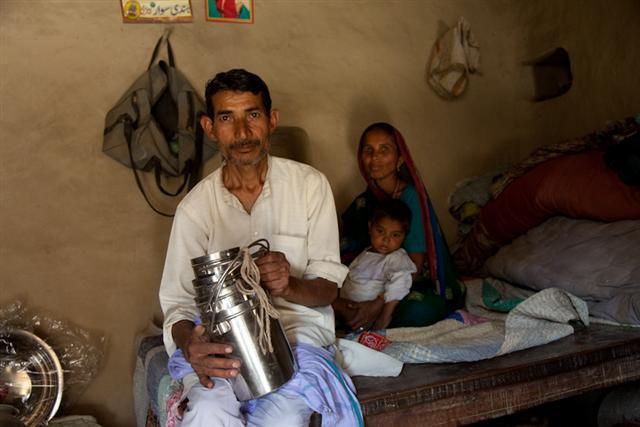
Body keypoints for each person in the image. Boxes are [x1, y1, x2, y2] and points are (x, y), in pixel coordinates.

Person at [159, 69, 362, 426]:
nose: (241, 132)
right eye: (226, 118)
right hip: (224, 345)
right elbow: (177, 305)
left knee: (281, 418)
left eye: (252, 115)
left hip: (299, 337)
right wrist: (190, 342)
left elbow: (329, 288)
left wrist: (290, 285)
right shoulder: (195, 209)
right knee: (206, 412)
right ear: (209, 127)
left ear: (272, 121)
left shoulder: (309, 187)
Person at [334, 122, 464, 331]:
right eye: (369, 151)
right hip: (371, 281)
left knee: (417, 311)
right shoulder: (363, 202)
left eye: (384, 150)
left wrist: (377, 305)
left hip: (412, 280)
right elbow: (348, 249)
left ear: (400, 159)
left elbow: (414, 265)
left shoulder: (411, 197)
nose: (375, 157)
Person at [339, 199, 416, 330]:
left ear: (404, 236)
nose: (386, 240)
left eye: (395, 235)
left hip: (367, 317)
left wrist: (384, 318)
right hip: (346, 310)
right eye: (380, 231)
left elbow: (400, 284)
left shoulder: (397, 257)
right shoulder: (365, 252)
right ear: (370, 227)